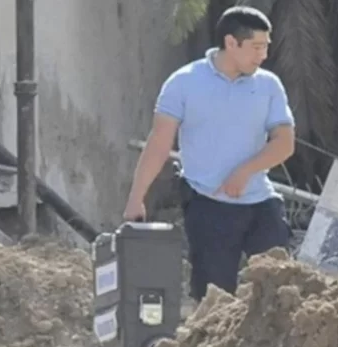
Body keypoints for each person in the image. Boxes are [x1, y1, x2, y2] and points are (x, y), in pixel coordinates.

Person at [122, 6, 295, 301]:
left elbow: (285, 143)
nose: (263, 55)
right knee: (214, 298)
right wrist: (136, 197)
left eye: (265, 47)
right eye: (257, 47)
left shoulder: (269, 86)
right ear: (231, 43)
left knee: (281, 290)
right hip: (209, 206)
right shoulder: (183, 83)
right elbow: (159, 144)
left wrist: (245, 171)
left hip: (261, 203)